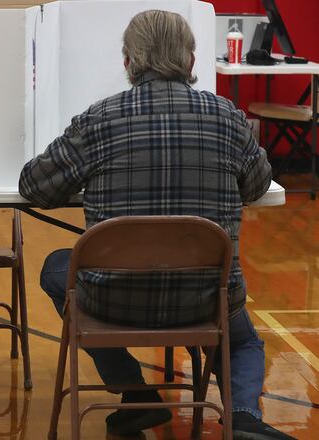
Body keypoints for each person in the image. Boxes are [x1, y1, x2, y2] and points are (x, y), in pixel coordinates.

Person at [19, 10, 294, 440]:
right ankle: (243, 418)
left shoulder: (99, 119)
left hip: (113, 299)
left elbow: (34, 185)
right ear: (190, 61)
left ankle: (134, 394)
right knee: (242, 340)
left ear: (129, 61)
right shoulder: (227, 117)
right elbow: (258, 184)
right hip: (205, 300)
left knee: (58, 268)